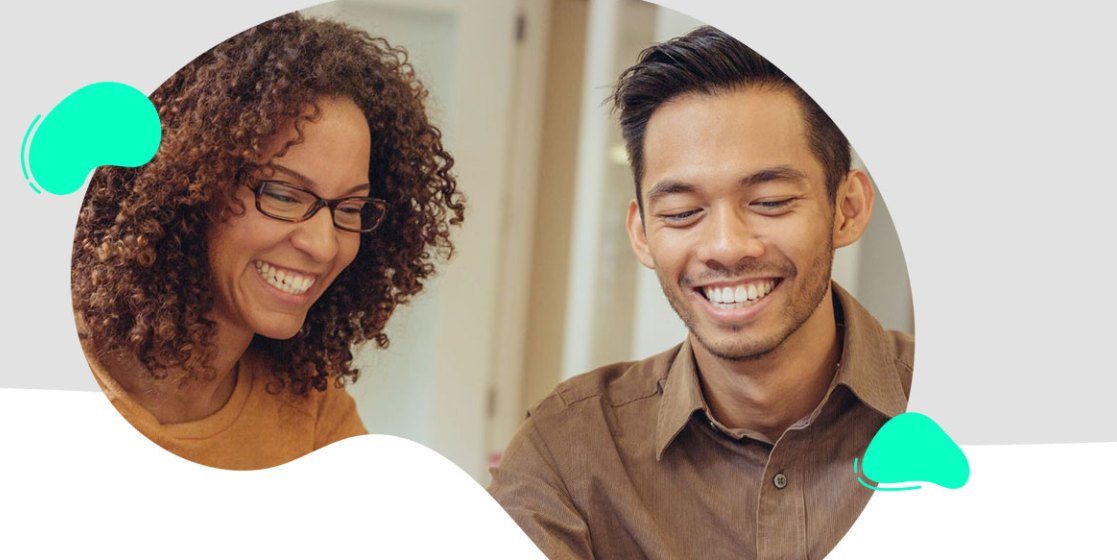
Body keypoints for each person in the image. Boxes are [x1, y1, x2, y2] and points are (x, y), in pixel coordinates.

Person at [488, 27, 913, 559]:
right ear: (642, 233)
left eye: (771, 200)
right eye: (682, 213)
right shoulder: (568, 452)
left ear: (847, 208)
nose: (726, 247)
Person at [69, 13, 464, 470]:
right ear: (190, 185)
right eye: (282, 193)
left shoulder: (312, 414)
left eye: (350, 209)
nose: (324, 245)